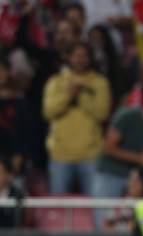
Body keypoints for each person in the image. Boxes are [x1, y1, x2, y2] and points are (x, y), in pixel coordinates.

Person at [42, 41, 111, 195]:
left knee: (97, 205)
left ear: (90, 58)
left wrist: (81, 96)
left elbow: (102, 114)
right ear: (69, 57)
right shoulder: (56, 81)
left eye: (84, 56)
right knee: (58, 209)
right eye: (76, 56)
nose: (80, 60)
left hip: (91, 155)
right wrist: (68, 95)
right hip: (60, 155)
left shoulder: (100, 83)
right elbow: (48, 112)